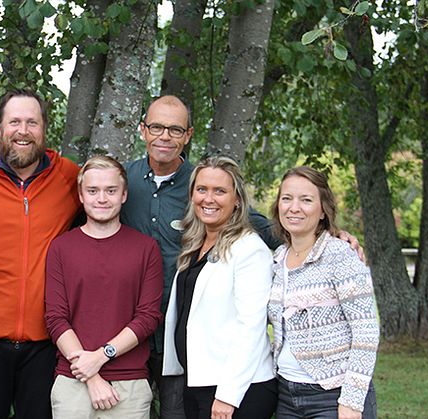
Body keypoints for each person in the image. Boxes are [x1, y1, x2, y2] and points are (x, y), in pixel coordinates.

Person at [120, 95, 281, 419]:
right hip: (129, 332)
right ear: (142, 130)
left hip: (183, 345)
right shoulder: (122, 182)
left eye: (175, 129)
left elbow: (266, 226)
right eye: (157, 127)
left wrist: (328, 233)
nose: (165, 136)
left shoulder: (204, 183)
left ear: (188, 135)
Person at [0, 89, 81, 419]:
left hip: (45, 344)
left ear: (45, 128)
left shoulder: (69, 177)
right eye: (14, 121)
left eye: (32, 122)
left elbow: (109, 212)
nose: (23, 131)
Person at [45, 156, 163, 419]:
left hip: (129, 386)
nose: (102, 198)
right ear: (81, 195)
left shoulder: (146, 249)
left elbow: (148, 318)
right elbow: (56, 319)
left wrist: (101, 357)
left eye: (110, 190)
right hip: (72, 382)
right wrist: (91, 376)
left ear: (123, 195)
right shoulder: (61, 248)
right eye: (93, 190)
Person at [162, 156, 278, 419]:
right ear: (192, 195)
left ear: (237, 199)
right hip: (199, 381)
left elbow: (251, 327)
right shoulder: (195, 243)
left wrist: (228, 395)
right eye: (202, 189)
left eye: (220, 191)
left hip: (237, 389)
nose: (208, 198)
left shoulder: (250, 249)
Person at [267, 166, 379, 419]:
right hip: (286, 395)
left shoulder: (340, 255)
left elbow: (366, 332)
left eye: (306, 200)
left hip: (333, 395)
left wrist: (351, 401)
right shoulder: (278, 259)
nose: (294, 207)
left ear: (322, 210)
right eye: (287, 198)